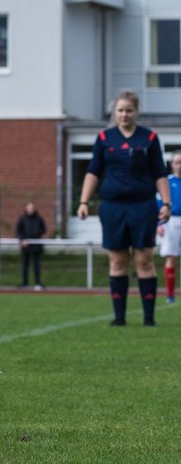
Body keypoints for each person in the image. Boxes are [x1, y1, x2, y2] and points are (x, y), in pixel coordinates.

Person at [77, 91, 170, 327]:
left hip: (143, 206)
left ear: (136, 112)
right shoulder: (104, 138)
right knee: (117, 261)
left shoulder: (148, 138)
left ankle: (149, 318)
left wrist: (166, 203)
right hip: (113, 207)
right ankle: (119, 318)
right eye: (120, 110)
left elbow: (159, 173)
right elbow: (93, 171)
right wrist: (84, 202)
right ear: (114, 112)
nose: (124, 115)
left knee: (144, 259)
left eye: (129, 110)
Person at [158, 152, 181, 305]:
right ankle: (170, 294)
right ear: (172, 164)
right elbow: (160, 204)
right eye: (177, 162)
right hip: (171, 221)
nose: (180, 165)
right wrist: (159, 223)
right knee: (171, 258)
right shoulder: (166, 182)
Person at [15, 201, 47, 291]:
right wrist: (22, 240)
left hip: (36, 246)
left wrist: (36, 235)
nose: (31, 210)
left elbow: (43, 229)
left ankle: (38, 283)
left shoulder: (39, 218)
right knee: (25, 265)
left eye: (32, 208)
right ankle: (24, 283)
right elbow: (18, 231)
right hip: (26, 247)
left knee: (37, 266)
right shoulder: (22, 219)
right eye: (29, 208)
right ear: (26, 209)